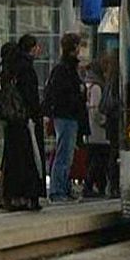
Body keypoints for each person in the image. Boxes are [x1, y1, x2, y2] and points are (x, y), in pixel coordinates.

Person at [43, 33, 89, 203]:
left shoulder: (67, 68)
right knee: (63, 154)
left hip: (68, 115)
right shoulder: (64, 70)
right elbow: (63, 93)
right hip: (66, 116)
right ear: (73, 48)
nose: (80, 50)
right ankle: (57, 191)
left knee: (67, 155)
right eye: (78, 46)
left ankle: (64, 187)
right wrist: (79, 93)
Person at [0, 35, 44, 211]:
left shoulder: (9, 69)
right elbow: (31, 96)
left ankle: (12, 196)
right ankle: (28, 196)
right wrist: (37, 114)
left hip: (10, 119)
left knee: (12, 158)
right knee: (28, 157)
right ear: (32, 48)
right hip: (24, 119)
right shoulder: (27, 69)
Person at [83, 60, 109, 198]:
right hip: (98, 130)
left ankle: (96, 186)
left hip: (90, 129)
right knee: (99, 159)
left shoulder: (88, 85)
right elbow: (96, 109)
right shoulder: (97, 87)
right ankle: (92, 186)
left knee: (93, 158)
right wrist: (103, 121)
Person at [102, 52, 121, 198]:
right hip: (117, 119)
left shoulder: (108, 79)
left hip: (111, 120)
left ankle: (113, 186)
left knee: (113, 153)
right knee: (115, 153)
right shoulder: (118, 80)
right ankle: (114, 186)